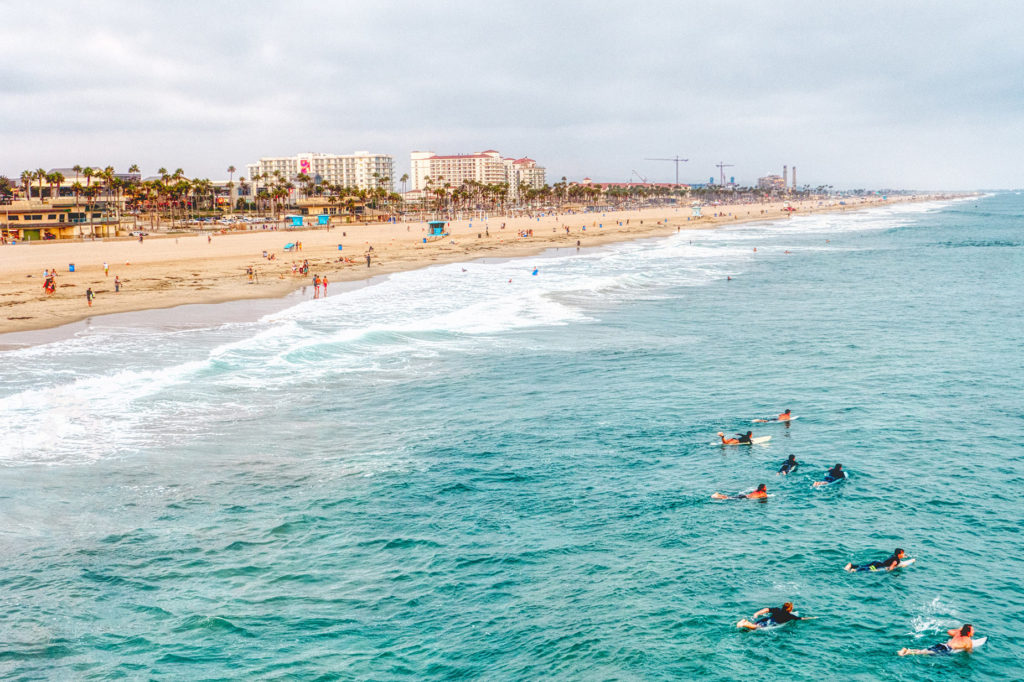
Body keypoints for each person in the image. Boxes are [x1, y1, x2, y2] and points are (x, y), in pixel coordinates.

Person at [899, 624, 976, 656]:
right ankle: (907, 652)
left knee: (924, 650)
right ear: (968, 632)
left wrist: (961, 629)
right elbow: (968, 651)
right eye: (972, 630)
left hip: (942, 644)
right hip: (947, 649)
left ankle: (907, 650)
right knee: (923, 653)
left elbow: (949, 632)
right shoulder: (968, 641)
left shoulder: (958, 633)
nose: (974, 631)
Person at [736, 602, 811, 630]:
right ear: (790, 609)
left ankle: (745, 621)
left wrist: (757, 614)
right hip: (770, 623)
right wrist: (812, 618)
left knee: (754, 625)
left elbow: (766, 609)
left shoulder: (777, 609)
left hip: (766, 619)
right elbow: (802, 618)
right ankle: (744, 624)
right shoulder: (789, 616)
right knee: (755, 627)